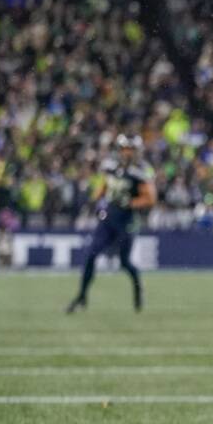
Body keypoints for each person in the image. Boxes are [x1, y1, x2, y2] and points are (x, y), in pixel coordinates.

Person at [66, 134, 156, 313]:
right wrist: (94, 201)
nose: (127, 153)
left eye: (131, 149)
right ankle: (82, 296)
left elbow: (150, 198)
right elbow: (104, 186)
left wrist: (130, 203)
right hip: (108, 217)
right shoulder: (110, 166)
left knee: (124, 262)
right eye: (125, 149)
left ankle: (138, 289)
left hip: (127, 220)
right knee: (91, 255)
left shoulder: (141, 171)